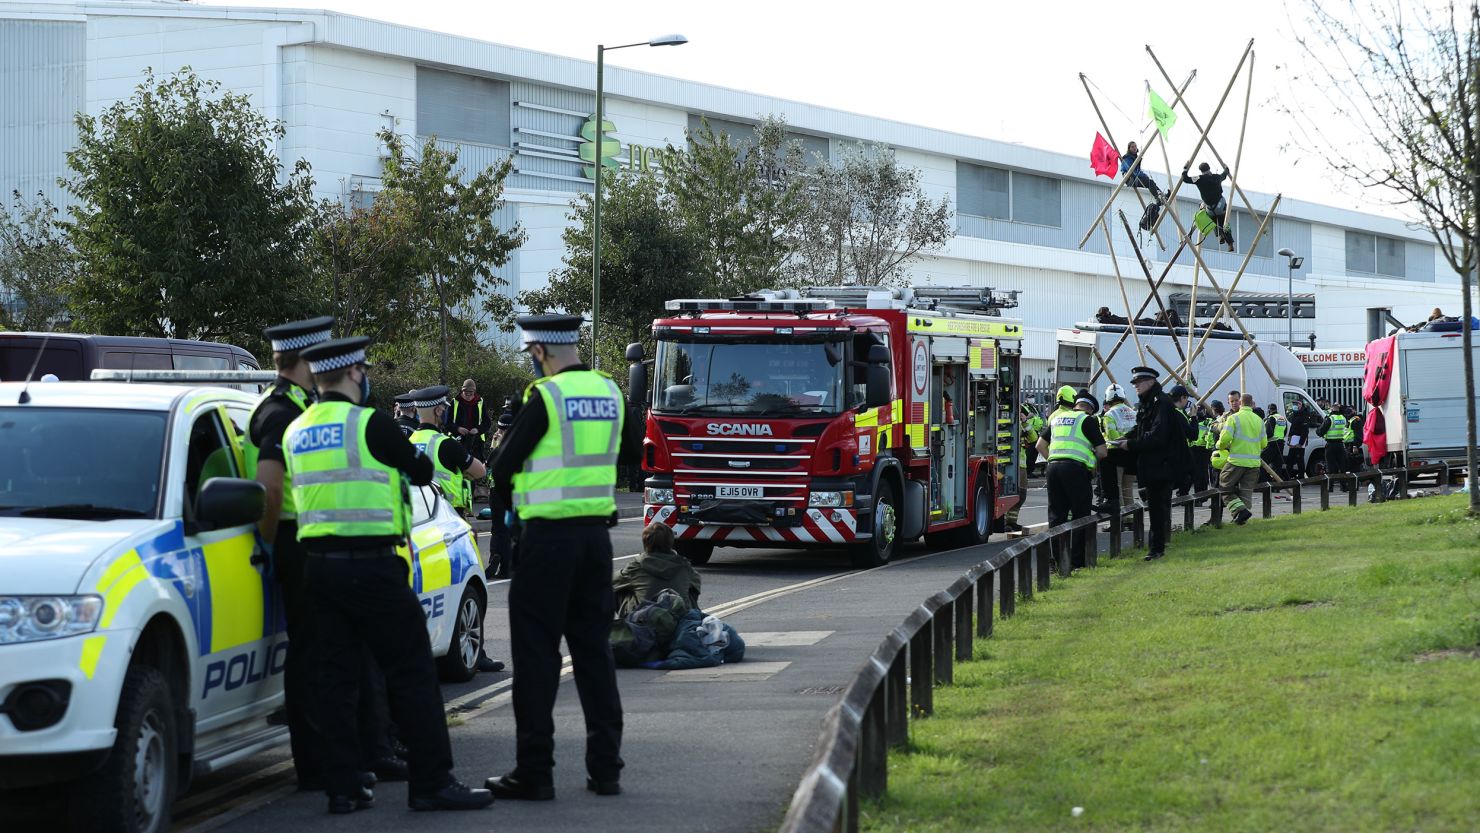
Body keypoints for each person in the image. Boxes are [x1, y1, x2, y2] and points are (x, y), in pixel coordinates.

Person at [281, 336, 493, 814]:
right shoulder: (368, 424)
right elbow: (419, 469)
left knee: (336, 678)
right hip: (373, 567)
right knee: (413, 670)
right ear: (354, 374)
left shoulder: (297, 430)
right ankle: (433, 782)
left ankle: (344, 787)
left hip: (319, 570)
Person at [485, 313, 640, 801]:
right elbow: (630, 452)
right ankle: (605, 770)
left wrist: (510, 527)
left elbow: (502, 466)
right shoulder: (611, 391)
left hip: (546, 541)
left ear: (539, 352)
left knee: (536, 658)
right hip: (596, 541)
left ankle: (535, 772)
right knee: (594, 653)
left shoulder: (545, 396)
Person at [1035, 385, 1108, 570]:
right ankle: (1077, 563)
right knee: (1080, 515)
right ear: (1090, 408)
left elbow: (1039, 445)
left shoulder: (1057, 419)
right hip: (1076, 470)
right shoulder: (1087, 420)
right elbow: (1103, 452)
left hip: (1053, 468)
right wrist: (1090, 461)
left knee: (1057, 516)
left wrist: (1053, 458)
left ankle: (1058, 561)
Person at [1124, 370, 1190, 560]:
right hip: (1153, 464)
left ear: (1151, 381)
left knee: (1158, 508)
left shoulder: (1161, 403)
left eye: (1139, 381)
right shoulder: (1149, 402)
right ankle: (1156, 547)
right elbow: (1141, 428)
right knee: (1155, 507)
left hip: (1162, 465)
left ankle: (1156, 549)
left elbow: (1158, 436)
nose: (1135, 385)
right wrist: (1126, 438)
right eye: (1134, 382)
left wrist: (1131, 444)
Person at [409, 386, 485, 517]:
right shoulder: (446, 444)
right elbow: (480, 471)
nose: (445, 411)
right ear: (438, 411)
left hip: (417, 515)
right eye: (444, 408)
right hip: (447, 516)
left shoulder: (408, 441)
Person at [613, 522, 702, 618]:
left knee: (619, 588)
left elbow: (612, 581)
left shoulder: (637, 566)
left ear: (645, 543)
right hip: (679, 617)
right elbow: (696, 582)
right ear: (671, 542)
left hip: (645, 620)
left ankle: (619, 624)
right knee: (691, 589)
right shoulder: (684, 566)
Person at [1217, 393, 1267, 525]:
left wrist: (1219, 445)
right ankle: (1241, 519)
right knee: (1246, 491)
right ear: (1252, 404)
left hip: (1236, 461)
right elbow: (1264, 444)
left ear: (1240, 403)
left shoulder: (1234, 418)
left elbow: (1225, 439)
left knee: (1224, 486)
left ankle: (1240, 511)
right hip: (1254, 463)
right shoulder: (1259, 420)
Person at [1097, 383, 1139, 516]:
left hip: (1116, 455)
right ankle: (1131, 518)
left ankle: (1119, 519)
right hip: (1133, 453)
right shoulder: (1134, 412)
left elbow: (1112, 437)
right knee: (1128, 488)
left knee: (1118, 488)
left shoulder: (1109, 414)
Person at [1183, 162, 1234, 247]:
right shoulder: (1216, 177)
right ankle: (1230, 243)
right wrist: (1226, 167)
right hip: (1220, 205)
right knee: (1224, 222)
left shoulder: (1199, 178)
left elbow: (1185, 179)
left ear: (1201, 170)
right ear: (1209, 168)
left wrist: (1185, 168)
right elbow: (1224, 174)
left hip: (1210, 209)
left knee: (1214, 221)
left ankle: (1220, 235)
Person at [450, 378, 491, 462]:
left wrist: (477, 429)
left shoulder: (480, 402)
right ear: (462, 391)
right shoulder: (454, 402)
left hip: (476, 443)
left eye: (471, 393)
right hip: (457, 441)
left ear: (474, 392)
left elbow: (487, 423)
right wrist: (458, 429)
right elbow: (446, 423)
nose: (468, 395)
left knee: (475, 471)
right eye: (466, 393)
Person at [1317, 405, 1350, 491]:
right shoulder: (1343, 418)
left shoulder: (1330, 418)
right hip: (1340, 444)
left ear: (1331, 409)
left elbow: (1320, 431)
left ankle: (1330, 487)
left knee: (1331, 466)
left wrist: (1318, 429)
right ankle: (1344, 487)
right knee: (1342, 466)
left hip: (1331, 445)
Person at [1263, 404, 1289, 481]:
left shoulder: (1271, 418)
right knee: (1278, 465)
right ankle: (1277, 485)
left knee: (1263, 462)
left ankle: (1265, 481)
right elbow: (1285, 432)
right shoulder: (1282, 418)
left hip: (1272, 444)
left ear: (1269, 410)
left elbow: (1269, 433)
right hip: (1281, 444)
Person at [1286, 401, 1311, 478]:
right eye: (1294, 404)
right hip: (1293, 441)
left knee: (1299, 460)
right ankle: (1287, 477)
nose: (1295, 406)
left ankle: (1301, 477)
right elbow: (1292, 429)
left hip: (1299, 442)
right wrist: (1289, 440)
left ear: (1301, 405)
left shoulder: (1304, 415)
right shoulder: (1295, 415)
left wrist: (1300, 443)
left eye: (1297, 404)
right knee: (1290, 460)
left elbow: (1305, 431)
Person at [1022, 402, 1045, 478]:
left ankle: (1029, 471)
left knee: (1033, 453)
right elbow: (1023, 417)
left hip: (1033, 432)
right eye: (1030, 397)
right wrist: (1028, 416)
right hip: (1027, 433)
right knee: (1030, 454)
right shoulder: (1024, 407)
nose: (1032, 398)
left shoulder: (1033, 407)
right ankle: (1028, 472)